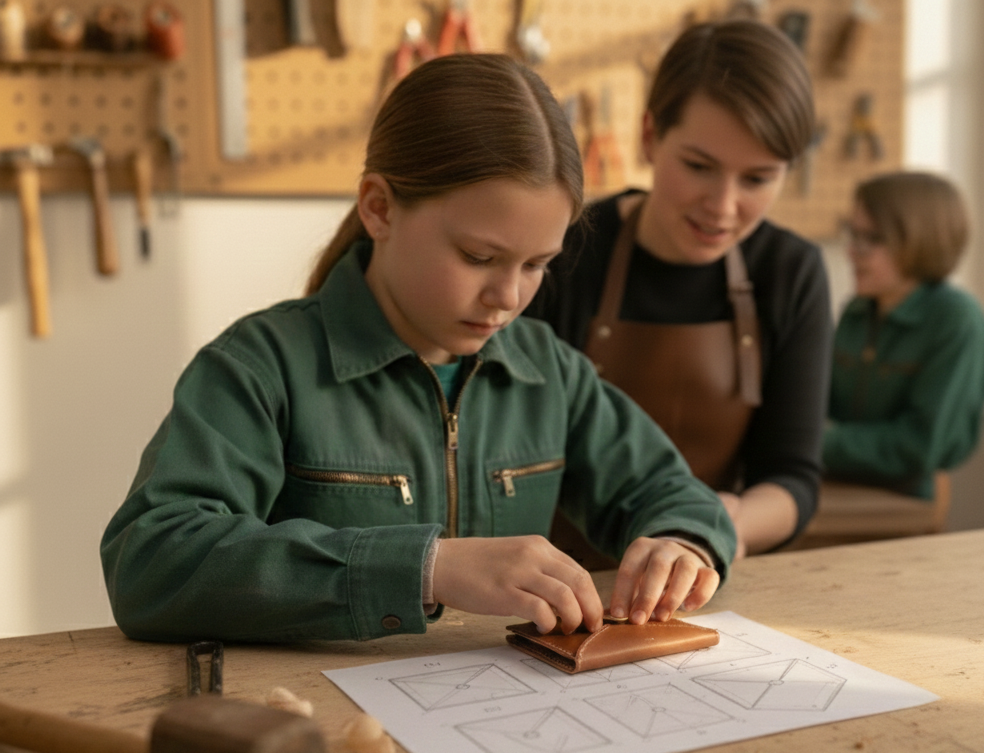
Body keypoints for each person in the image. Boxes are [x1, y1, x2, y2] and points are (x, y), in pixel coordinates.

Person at [100, 54, 735, 644]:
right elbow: (152, 561)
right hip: (324, 726)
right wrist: (426, 566)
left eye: (538, 263)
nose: (507, 296)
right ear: (379, 208)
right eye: (478, 257)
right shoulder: (260, 367)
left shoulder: (549, 373)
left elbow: (677, 495)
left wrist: (683, 543)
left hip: (503, 729)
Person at [525, 20, 832, 559]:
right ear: (649, 137)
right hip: (555, 581)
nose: (723, 205)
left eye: (757, 179)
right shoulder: (562, 254)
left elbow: (793, 478)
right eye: (698, 166)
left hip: (704, 575)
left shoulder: (791, 271)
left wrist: (710, 530)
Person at [823, 171, 984, 498]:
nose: (851, 252)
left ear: (921, 239)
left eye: (871, 239)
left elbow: (920, 447)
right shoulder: (857, 311)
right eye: (852, 234)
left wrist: (813, 442)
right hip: (831, 481)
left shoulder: (957, 319)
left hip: (904, 499)